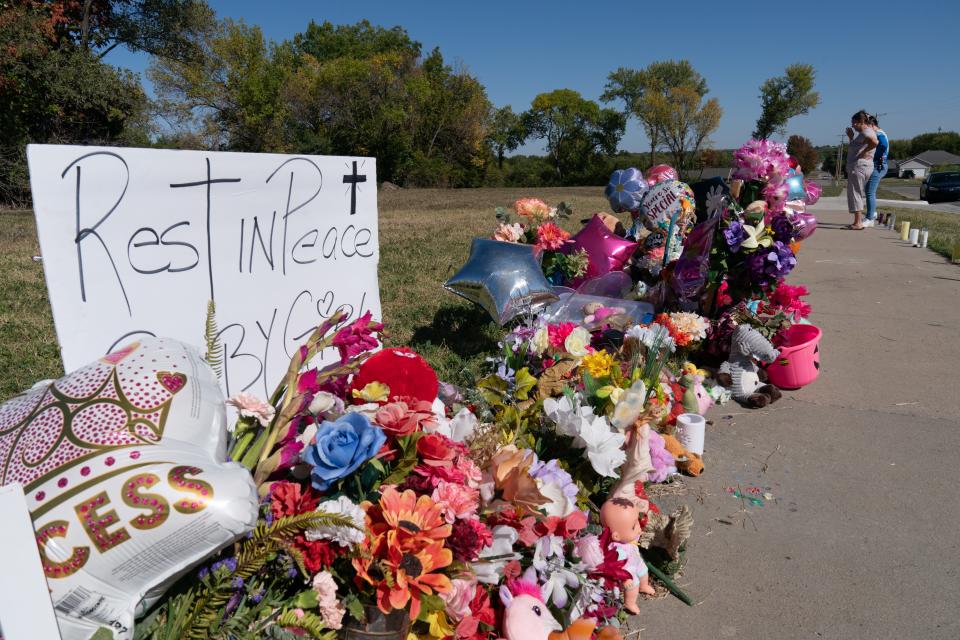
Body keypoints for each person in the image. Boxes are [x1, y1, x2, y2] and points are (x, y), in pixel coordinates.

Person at [845, 110, 878, 230]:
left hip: (859, 167)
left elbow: (874, 142)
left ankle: (858, 222)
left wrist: (864, 152)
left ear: (862, 121)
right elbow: (857, 147)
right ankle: (857, 221)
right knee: (857, 192)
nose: (853, 125)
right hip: (862, 166)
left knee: (856, 193)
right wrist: (851, 138)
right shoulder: (865, 133)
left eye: (855, 123)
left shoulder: (866, 132)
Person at [864, 114, 889, 227]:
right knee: (868, 190)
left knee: (870, 192)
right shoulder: (880, 132)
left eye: (868, 127)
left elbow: (883, 145)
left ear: (873, 125)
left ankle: (870, 218)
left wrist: (876, 155)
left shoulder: (879, 134)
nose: (867, 130)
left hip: (878, 165)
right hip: (878, 164)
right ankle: (872, 213)